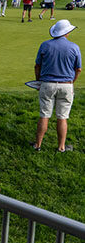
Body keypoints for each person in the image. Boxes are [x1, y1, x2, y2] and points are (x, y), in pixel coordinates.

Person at [31, 19, 81, 152]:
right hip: (66, 85)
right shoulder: (74, 47)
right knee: (62, 117)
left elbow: (37, 66)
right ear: (67, 32)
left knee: (44, 115)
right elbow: (78, 69)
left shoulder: (45, 45)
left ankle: (38, 145)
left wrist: (38, 81)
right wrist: (71, 82)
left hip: (47, 84)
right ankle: (61, 147)